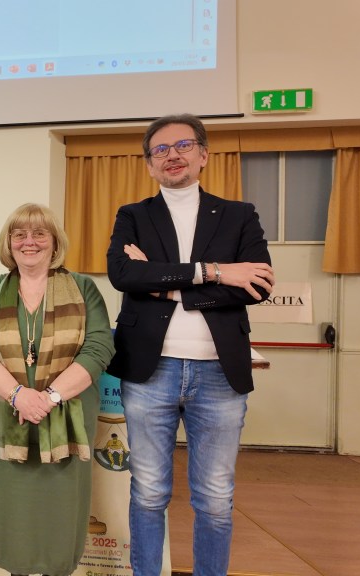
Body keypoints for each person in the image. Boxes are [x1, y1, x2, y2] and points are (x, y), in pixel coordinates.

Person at [106, 113, 274, 576]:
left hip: (218, 372)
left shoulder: (239, 214)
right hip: (150, 370)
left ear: (203, 155)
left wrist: (164, 285)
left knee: (215, 498)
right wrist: (216, 271)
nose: (172, 155)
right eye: (160, 150)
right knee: (148, 492)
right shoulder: (133, 215)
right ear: (149, 164)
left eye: (182, 145)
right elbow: (124, 274)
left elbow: (257, 286)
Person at [0, 203, 115, 576]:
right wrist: (18, 395)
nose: (28, 242)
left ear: (55, 241)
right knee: (12, 507)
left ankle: (58, 569)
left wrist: (49, 398)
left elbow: (99, 347)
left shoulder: (83, 288)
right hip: (4, 417)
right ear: (9, 243)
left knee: (61, 508)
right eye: (19, 234)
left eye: (39, 233)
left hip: (67, 416)